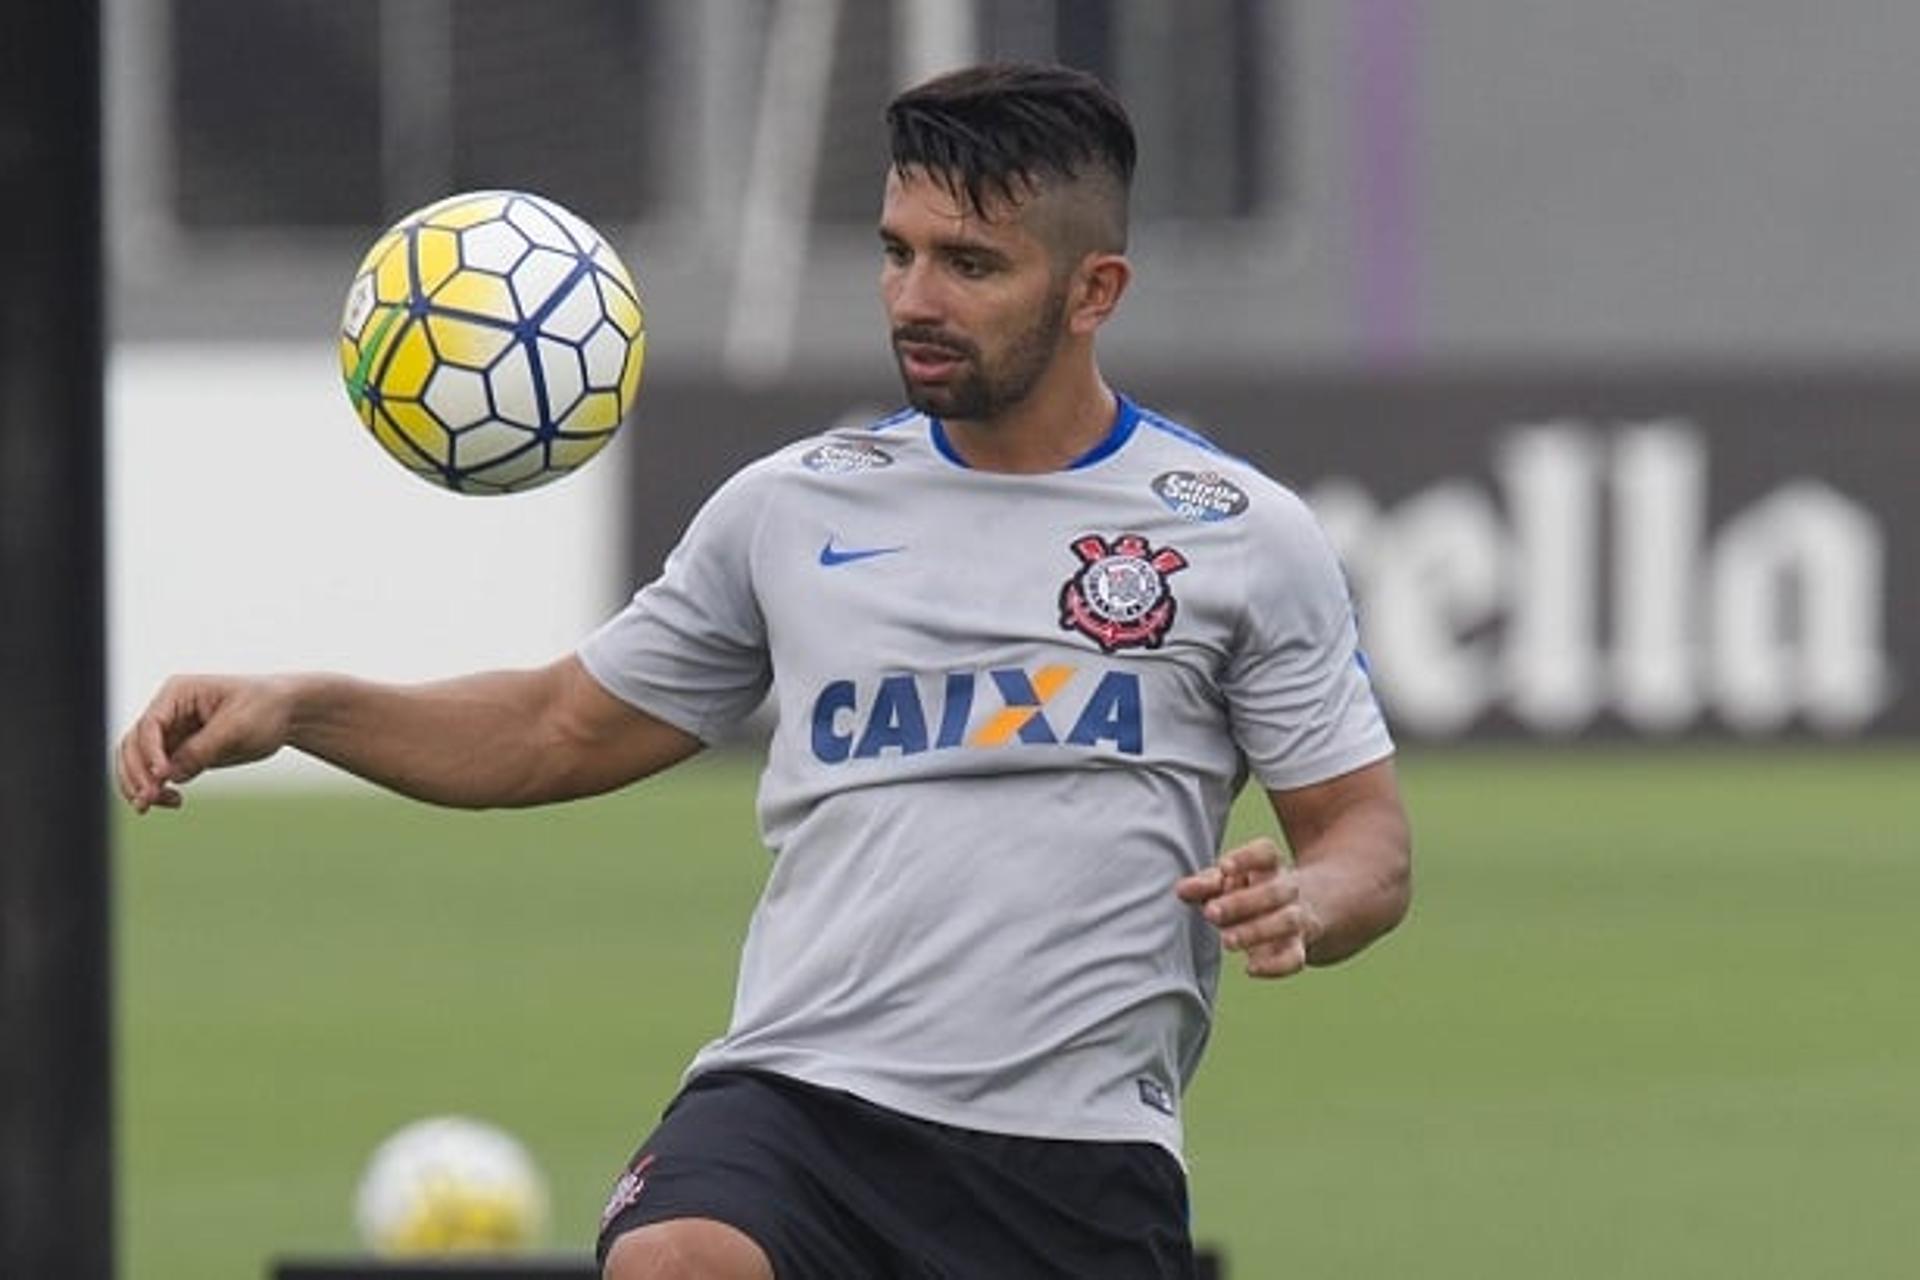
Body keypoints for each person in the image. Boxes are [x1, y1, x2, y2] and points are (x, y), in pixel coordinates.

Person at [118, 62, 1411, 1280]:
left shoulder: (1239, 535)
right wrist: (300, 708)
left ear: (1094, 291)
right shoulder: (791, 508)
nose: (916, 298)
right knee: (678, 1258)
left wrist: (1309, 899)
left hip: (1076, 1153)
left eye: (971, 264)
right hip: (802, 1102)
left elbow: (1365, 841)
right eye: (897, 252)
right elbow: (555, 728)